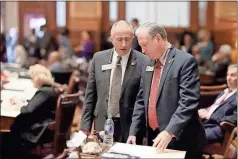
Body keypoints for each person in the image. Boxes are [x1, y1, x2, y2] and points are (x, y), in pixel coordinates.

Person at [127, 22, 206, 158]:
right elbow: (142, 100)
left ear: (158, 38)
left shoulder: (185, 61)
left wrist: (169, 131)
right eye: (140, 46)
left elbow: (188, 102)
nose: (143, 50)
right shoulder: (148, 62)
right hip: (153, 136)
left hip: (180, 138)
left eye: (145, 45)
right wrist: (133, 132)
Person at [80, 20, 148, 144]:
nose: (123, 44)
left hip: (130, 126)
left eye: (127, 39)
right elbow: (90, 95)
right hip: (102, 123)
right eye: (119, 39)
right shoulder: (98, 58)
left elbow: (144, 100)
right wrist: (85, 127)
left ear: (133, 38)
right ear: (111, 39)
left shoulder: (144, 61)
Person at [1, 64, 61, 158]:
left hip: (39, 131)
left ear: (37, 78)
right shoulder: (49, 90)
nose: (31, 80)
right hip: (46, 128)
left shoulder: (44, 91)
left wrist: (20, 105)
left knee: (6, 136)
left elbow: (28, 110)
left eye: (32, 77)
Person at [199, 64, 237, 144]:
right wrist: (205, 110)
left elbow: (234, 118)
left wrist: (210, 116)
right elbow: (216, 107)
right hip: (204, 123)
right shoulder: (225, 92)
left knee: (188, 138)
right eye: (228, 75)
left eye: (233, 75)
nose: (229, 78)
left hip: (217, 128)